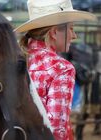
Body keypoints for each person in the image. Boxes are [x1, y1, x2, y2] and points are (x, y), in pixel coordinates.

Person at [14, 0, 96, 139]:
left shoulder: (10, 59)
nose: (74, 35)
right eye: (71, 28)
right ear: (54, 32)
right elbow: (57, 131)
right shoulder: (61, 69)